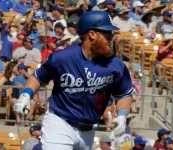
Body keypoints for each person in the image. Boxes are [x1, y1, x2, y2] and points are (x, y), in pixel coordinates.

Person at [14, 11, 133, 150]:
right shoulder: (63, 57)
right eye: (107, 33)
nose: (111, 37)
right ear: (92, 35)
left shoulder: (115, 65)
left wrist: (122, 115)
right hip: (60, 123)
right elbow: (38, 77)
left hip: (88, 131)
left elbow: (124, 94)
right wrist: (26, 95)